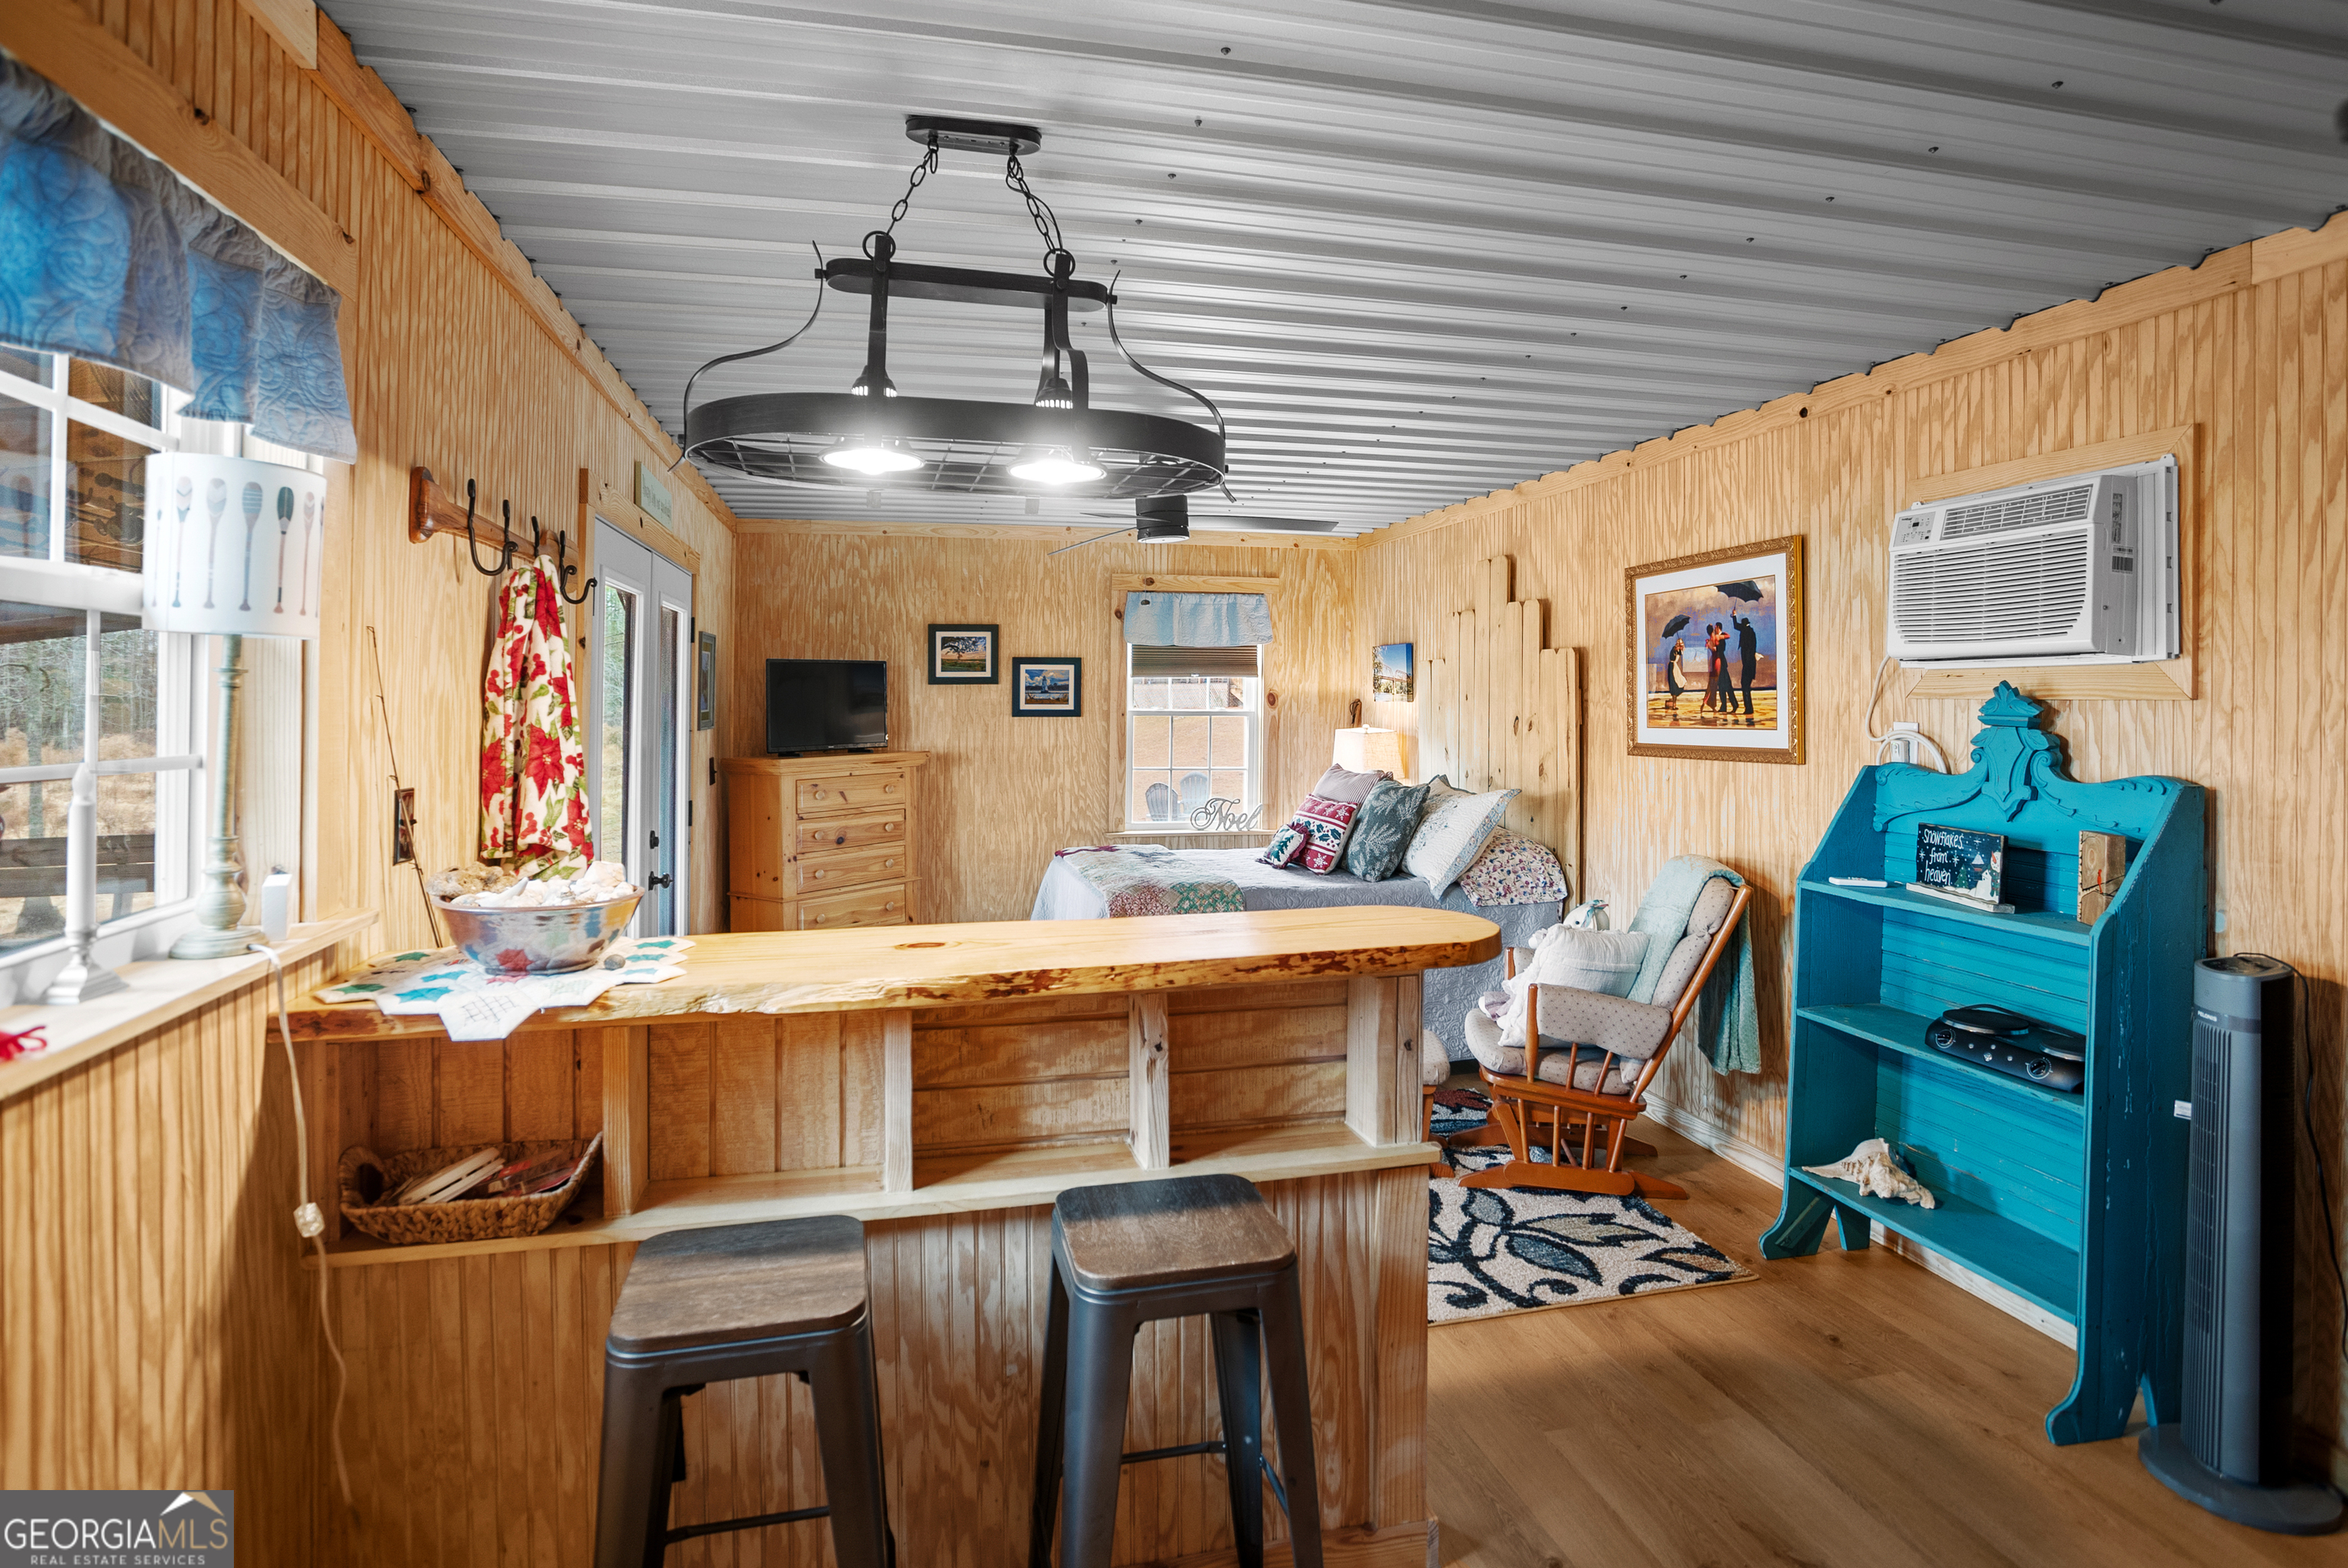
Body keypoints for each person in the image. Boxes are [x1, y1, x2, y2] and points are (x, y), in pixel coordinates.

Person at [1733, 611, 1759, 718]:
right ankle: (1749, 707)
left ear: (1744, 625)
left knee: (1744, 685)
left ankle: (1748, 708)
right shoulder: (1752, 632)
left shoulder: (1745, 631)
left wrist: (1734, 615)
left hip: (1748, 664)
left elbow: (1736, 626)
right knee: (1746, 685)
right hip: (1751, 664)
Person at [1705, 624, 1729, 713]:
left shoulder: (1709, 640)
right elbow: (1728, 636)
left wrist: (1710, 645)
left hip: (1712, 661)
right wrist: (1720, 634)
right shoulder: (1716, 637)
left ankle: (1708, 702)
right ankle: (1712, 703)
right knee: (1716, 683)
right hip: (1717, 661)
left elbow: (1708, 648)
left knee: (1712, 683)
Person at [1662, 636, 1685, 711]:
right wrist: (1679, 646)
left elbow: (1682, 652)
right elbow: (1676, 650)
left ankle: (1674, 705)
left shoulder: (1678, 650)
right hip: (1672, 667)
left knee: (1679, 682)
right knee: (1674, 684)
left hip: (1674, 667)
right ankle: (1674, 706)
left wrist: (1682, 646)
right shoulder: (1674, 648)